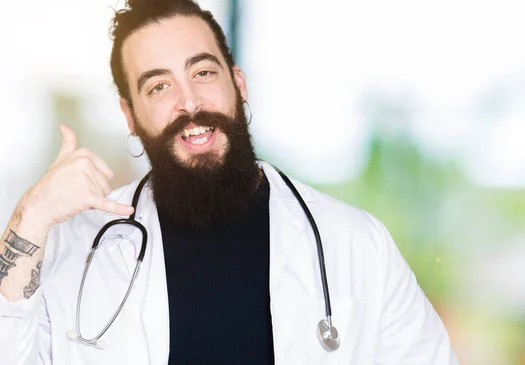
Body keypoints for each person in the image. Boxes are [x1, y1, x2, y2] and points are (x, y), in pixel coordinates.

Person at [0, 0, 459, 364]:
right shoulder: (77, 249)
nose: (190, 102)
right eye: (159, 86)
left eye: (203, 73)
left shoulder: (356, 244)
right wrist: (29, 217)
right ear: (130, 116)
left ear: (238, 84)